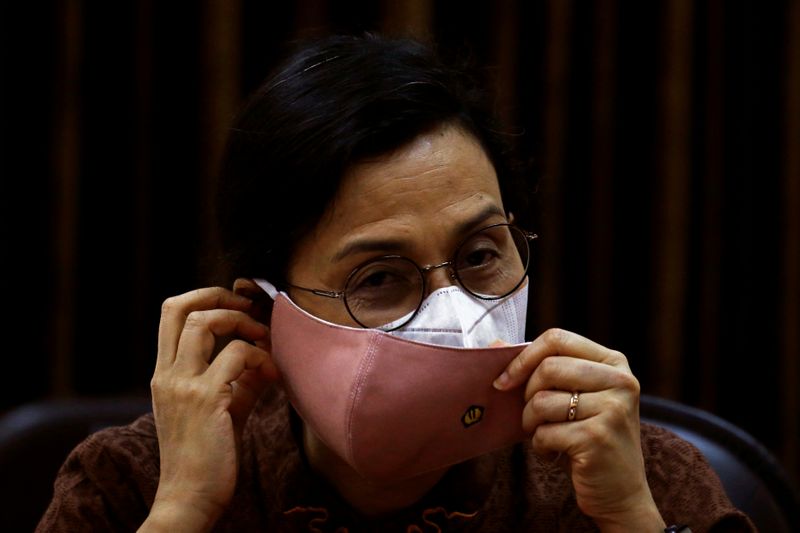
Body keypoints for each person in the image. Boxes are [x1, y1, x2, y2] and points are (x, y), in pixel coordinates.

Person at [37, 33, 755, 532]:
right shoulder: (128, 483)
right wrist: (185, 508)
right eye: (379, 277)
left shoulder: (637, 469)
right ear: (263, 310)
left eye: (480, 254)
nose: (456, 313)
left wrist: (633, 519)